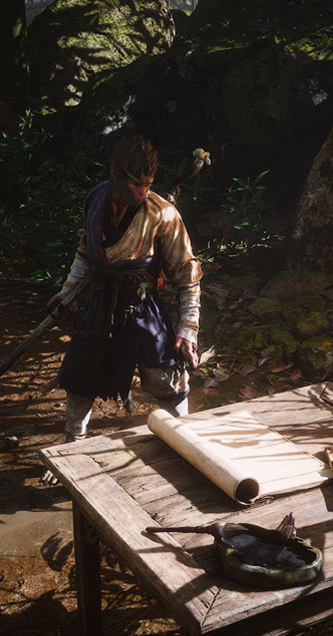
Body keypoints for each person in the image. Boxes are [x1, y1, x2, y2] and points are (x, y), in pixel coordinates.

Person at [41, 134, 201, 484]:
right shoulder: (97, 198)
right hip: (100, 303)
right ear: (114, 173)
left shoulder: (164, 215)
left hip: (143, 306)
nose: (142, 191)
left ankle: (191, 448)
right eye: (134, 182)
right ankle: (72, 451)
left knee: (168, 379)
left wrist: (188, 328)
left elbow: (188, 275)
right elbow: (86, 252)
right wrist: (67, 291)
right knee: (80, 378)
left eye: (147, 184)